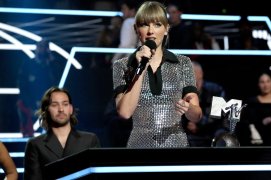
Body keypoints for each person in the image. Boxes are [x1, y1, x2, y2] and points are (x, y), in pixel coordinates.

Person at [112, 1, 202, 148]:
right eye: (144, 24)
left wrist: (188, 108)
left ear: (166, 29)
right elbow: (125, 112)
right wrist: (141, 67)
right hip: (140, 147)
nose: (150, 31)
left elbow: (197, 115)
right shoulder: (122, 66)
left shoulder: (183, 63)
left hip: (176, 146)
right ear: (136, 29)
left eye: (157, 25)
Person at [23, 87, 101, 180]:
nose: (61, 109)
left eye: (65, 104)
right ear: (46, 110)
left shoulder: (89, 140)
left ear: (71, 109)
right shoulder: (35, 145)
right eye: (55, 105)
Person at [17, 39, 58, 137]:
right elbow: (22, 86)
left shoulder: (51, 66)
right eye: (40, 47)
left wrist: (52, 63)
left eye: (45, 48)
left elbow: (56, 83)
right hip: (29, 103)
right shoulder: (28, 64)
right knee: (29, 132)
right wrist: (31, 103)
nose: (42, 50)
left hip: (48, 103)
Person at [183, 61, 227, 147]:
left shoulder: (216, 90)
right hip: (189, 131)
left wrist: (197, 122)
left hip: (211, 129)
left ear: (201, 73)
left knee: (221, 134)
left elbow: (217, 114)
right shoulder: (182, 91)